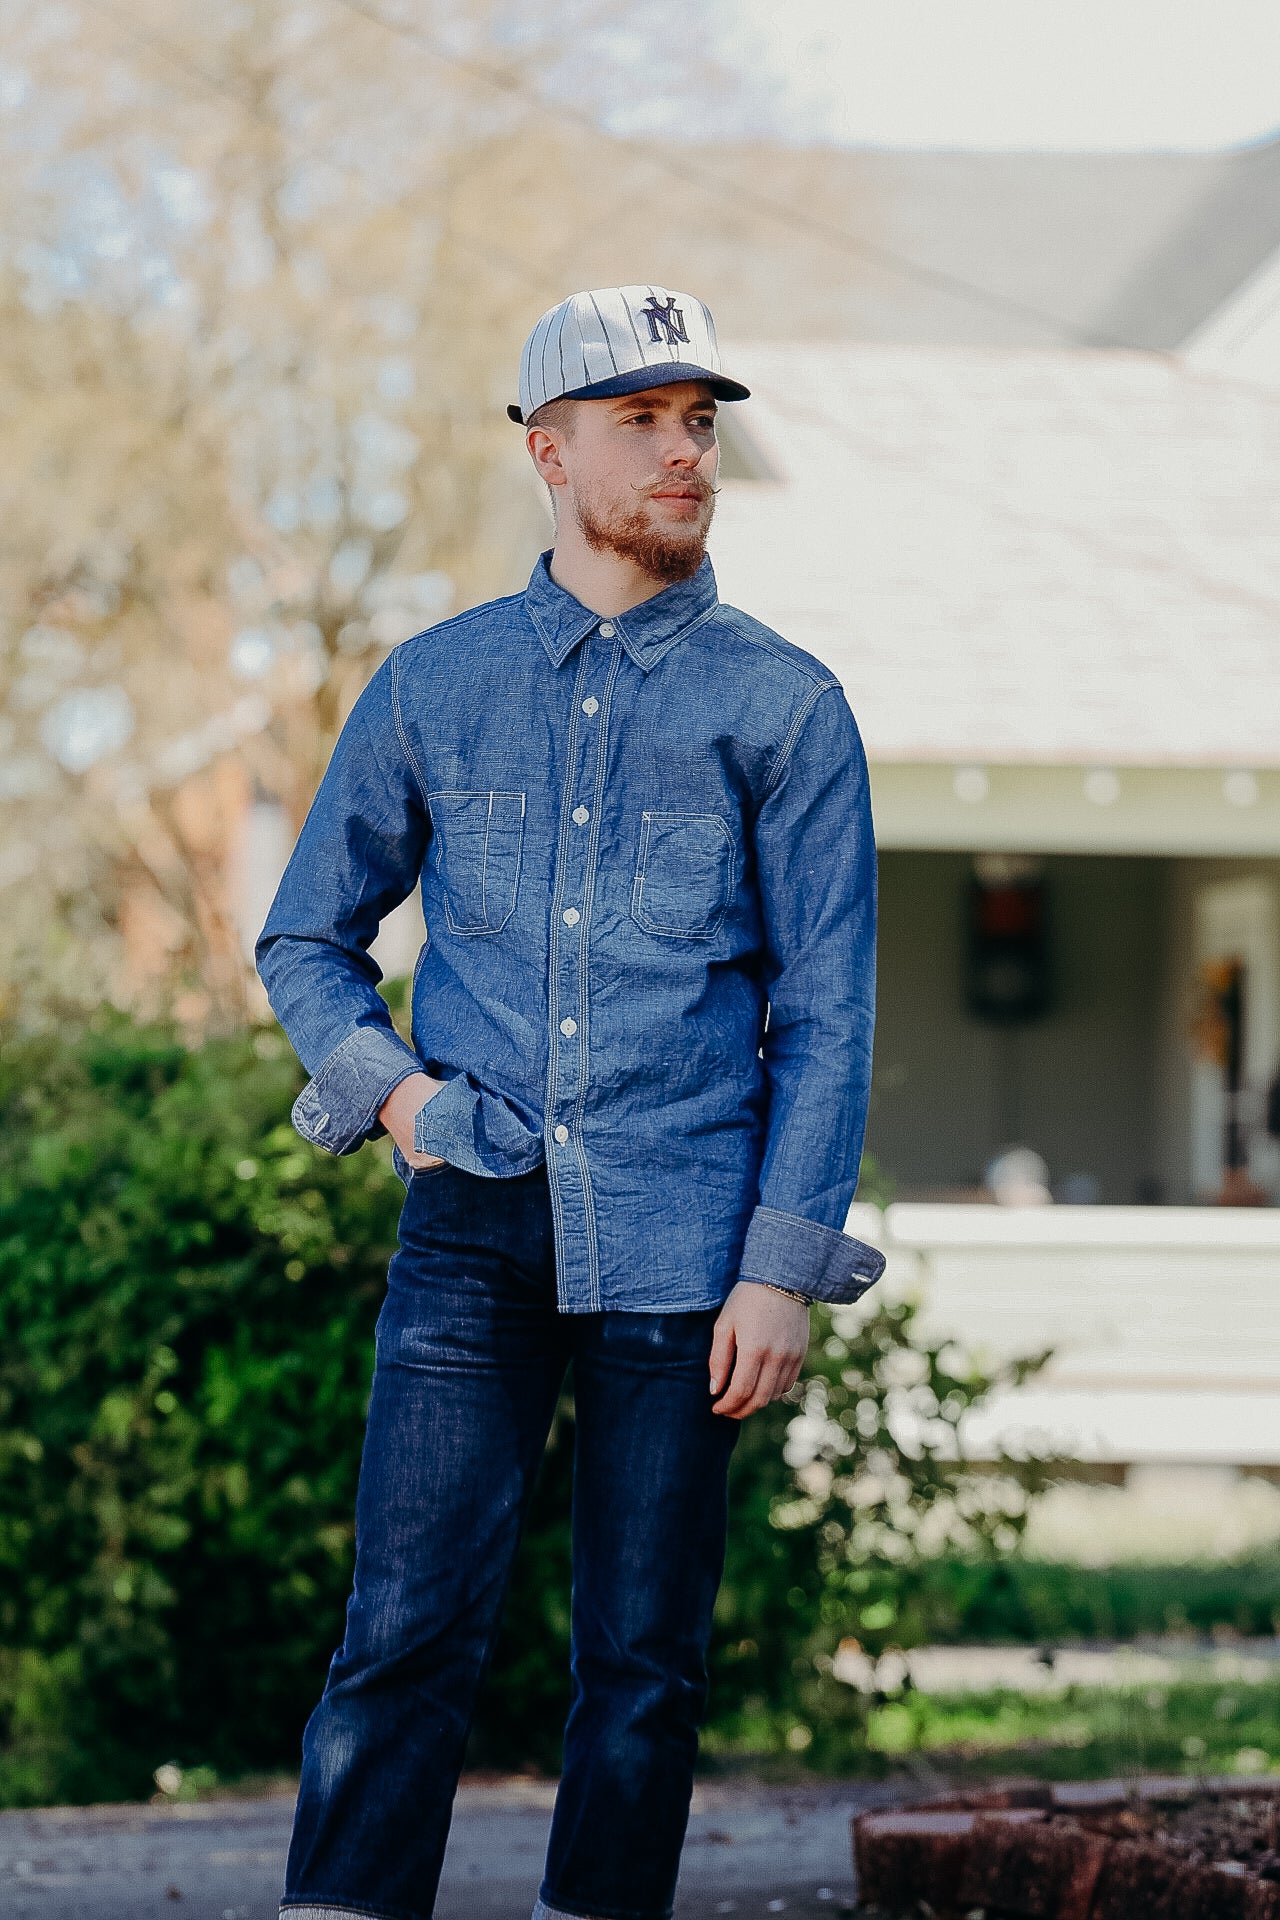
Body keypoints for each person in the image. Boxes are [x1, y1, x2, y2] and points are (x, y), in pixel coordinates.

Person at [256, 283, 884, 1920]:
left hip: (691, 1258)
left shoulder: (788, 708)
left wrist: (781, 1264)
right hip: (468, 1235)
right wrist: (395, 1107)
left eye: (701, 424)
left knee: (645, 1666)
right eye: (643, 423)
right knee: (400, 1641)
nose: (688, 454)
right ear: (548, 451)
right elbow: (306, 938)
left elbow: (827, 1014)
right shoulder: (432, 687)